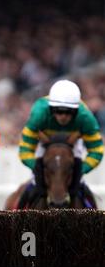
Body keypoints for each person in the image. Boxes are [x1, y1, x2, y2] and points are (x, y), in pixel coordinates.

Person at [18, 79, 103, 208]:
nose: (63, 116)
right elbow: (25, 150)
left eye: (68, 112)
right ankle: (18, 218)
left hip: (73, 146)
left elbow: (97, 151)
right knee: (36, 183)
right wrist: (38, 167)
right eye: (58, 111)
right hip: (44, 145)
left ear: (76, 111)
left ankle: (95, 222)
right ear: (51, 109)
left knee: (78, 184)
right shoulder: (39, 114)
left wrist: (81, 169)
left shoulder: (85, 118)